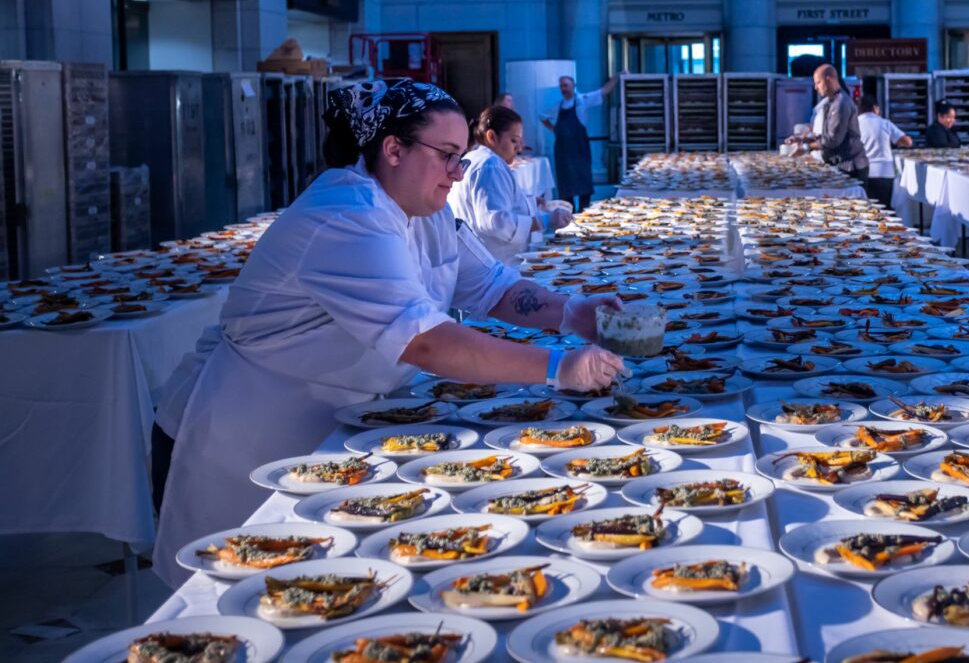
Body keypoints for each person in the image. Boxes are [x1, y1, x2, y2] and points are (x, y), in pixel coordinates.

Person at [152, 80, 625, 585]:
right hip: (245, 432)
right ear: (393, 149)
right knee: (248, 590)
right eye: (446, 155)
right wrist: (558, 367)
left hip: (331, 423)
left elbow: (491, 285)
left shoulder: (429, 211)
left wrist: (572, 312)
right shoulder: (347, 214)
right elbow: (426, 342)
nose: (456, 173)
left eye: (461, 158)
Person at [450, 105, 572, 264]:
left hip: (487, 263)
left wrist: (530, 202)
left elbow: (493, 204)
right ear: (492, 137)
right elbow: (495, 221)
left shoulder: (476, 158)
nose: (519, 148)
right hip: (497, 266)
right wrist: (545, 221)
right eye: (514, 140)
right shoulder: (490, 165)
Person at [542, 74, 618, 212]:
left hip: (579, 150)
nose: (563, 88)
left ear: (573, 86)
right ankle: (568, 218)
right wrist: (554, 129)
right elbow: (542, 117)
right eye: (561, 86)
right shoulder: (557, 107)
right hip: (563, 153)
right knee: (566, 187)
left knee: (583, 184)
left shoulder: (583, 101)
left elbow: (604, 91)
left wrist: (618, 77)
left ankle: (584, 215)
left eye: (566, 85)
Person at [788, 63, 868, 181]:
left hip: (851, 167)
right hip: (840, 165)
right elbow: (824, 135)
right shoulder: (830, 102)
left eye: (818, 83)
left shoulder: (840, 103)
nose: (815, 87)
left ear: (829, 79)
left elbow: (831, 140)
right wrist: (802, 139)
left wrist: (806, 148)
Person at [858, 94, 913, 208]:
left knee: (867, 211)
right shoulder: (884, 123)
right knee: (884, 210)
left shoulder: (856, 123)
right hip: (884, 173)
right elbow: (907, 142)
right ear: (875, 108)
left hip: (863, 172)